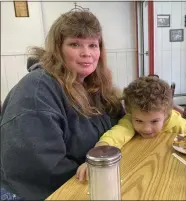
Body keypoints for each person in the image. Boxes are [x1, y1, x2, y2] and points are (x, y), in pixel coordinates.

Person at [0, 10, 124, 200]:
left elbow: (120, 120)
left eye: (93, 45)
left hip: (96, 177)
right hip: (36, 192)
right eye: (75, 44)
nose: (87, 53)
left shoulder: (93, 84)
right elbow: (41, 167)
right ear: (57, 49)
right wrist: (99, 175)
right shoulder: (37, 90)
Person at [76, 76, 186, 182]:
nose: (146, 129)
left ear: (167, 114)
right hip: (137, 172)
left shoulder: (176, 122)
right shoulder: (129, 120)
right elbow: (114, 136)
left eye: (154, 121)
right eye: (139, 121)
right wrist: (96, 160)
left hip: (171, 174)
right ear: (130, 113)